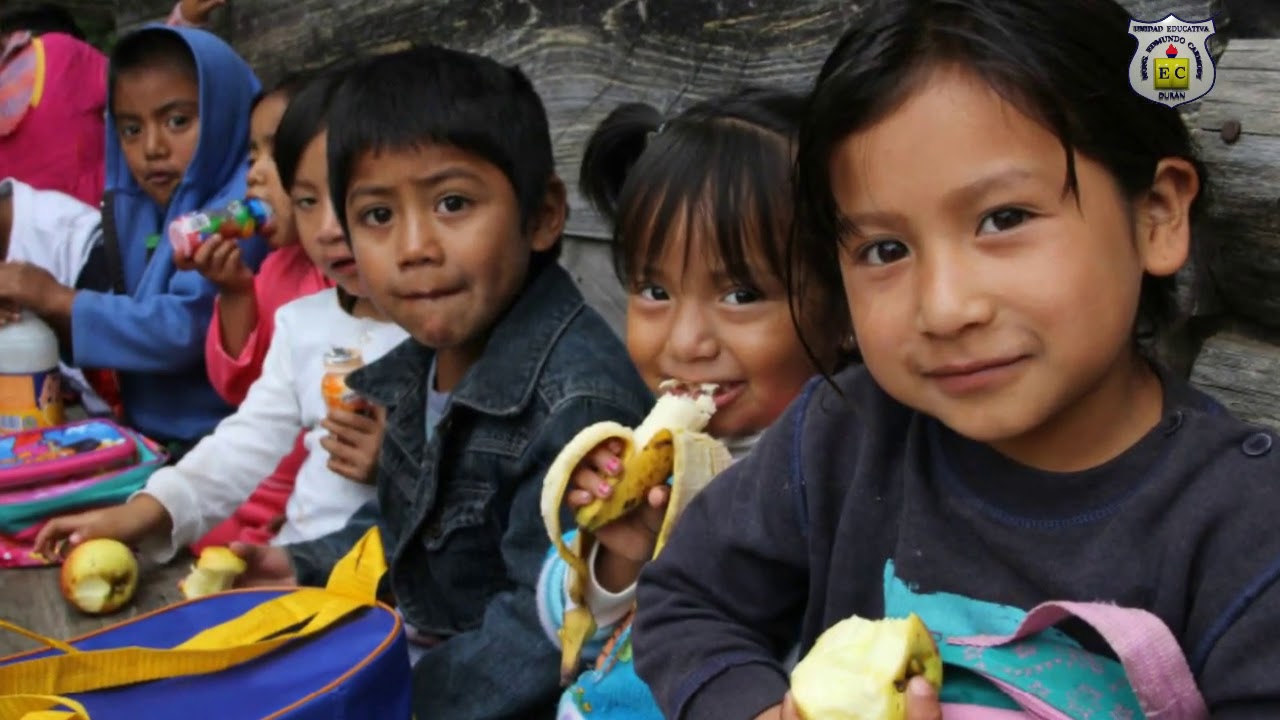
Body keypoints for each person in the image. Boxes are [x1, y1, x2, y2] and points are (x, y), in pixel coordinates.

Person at [632, 0, 1280, 718]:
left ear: (1156, 215)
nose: (944, 309)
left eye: (1004, 219)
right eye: (885, 250)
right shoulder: (842, 437)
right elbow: (687, 599)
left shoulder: (1248, 532)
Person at [227, 46, 654, 719]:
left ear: (543, 215)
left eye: (452, 203)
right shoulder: (429, 359)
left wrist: (385, 705)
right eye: (378, 216)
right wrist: (305, 565)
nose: (414, 248)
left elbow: (546, 628)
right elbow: (412, 527)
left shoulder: (577, 407)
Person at [536, 88, 849, 720]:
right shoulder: (651, 456)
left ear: (844, 306)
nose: (684, 342)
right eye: (654, 290)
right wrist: (618, 555)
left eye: (740, 295)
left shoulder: (835, 483)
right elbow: (558, 624)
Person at [35, 70, 401, 562]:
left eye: (363, 203)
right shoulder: (302, 320)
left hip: (377, 580)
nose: (330, 229)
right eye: (307, 202)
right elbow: (246, 439)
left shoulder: (440, 333)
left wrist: (399, 464)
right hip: (293, 562)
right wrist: (144, 511)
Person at [0, 25, 266, 458]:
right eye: (130, 129)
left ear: (224, 112)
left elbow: (185, 330)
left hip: (226, 446)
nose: (152, 148)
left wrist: (57, 299)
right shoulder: (143, 208)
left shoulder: (243, 210)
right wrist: (38, 310)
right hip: (156, 441)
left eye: (177, 121)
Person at [181, 69, 335, 552]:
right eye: (253, 157)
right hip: (261, 486)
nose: (254, 174)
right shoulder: (275, 270)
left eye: (278, 153)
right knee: (182, 527)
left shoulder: (364, 282)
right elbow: (237, 390)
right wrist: (236, 294)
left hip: (324, 496)